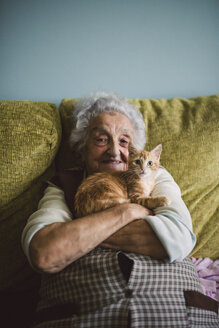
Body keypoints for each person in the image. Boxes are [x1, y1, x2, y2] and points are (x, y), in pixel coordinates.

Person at [21, 92, 218, 327]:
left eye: (124, 141)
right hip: (83, 316)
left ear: (135, 150)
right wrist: (129, 212)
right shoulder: (62, 185)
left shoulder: (156, 175)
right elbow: (45, 252)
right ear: (83, 149)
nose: (115, 151)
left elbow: (178, 238)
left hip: (181, 315)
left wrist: (80, 231)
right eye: (101, 139)